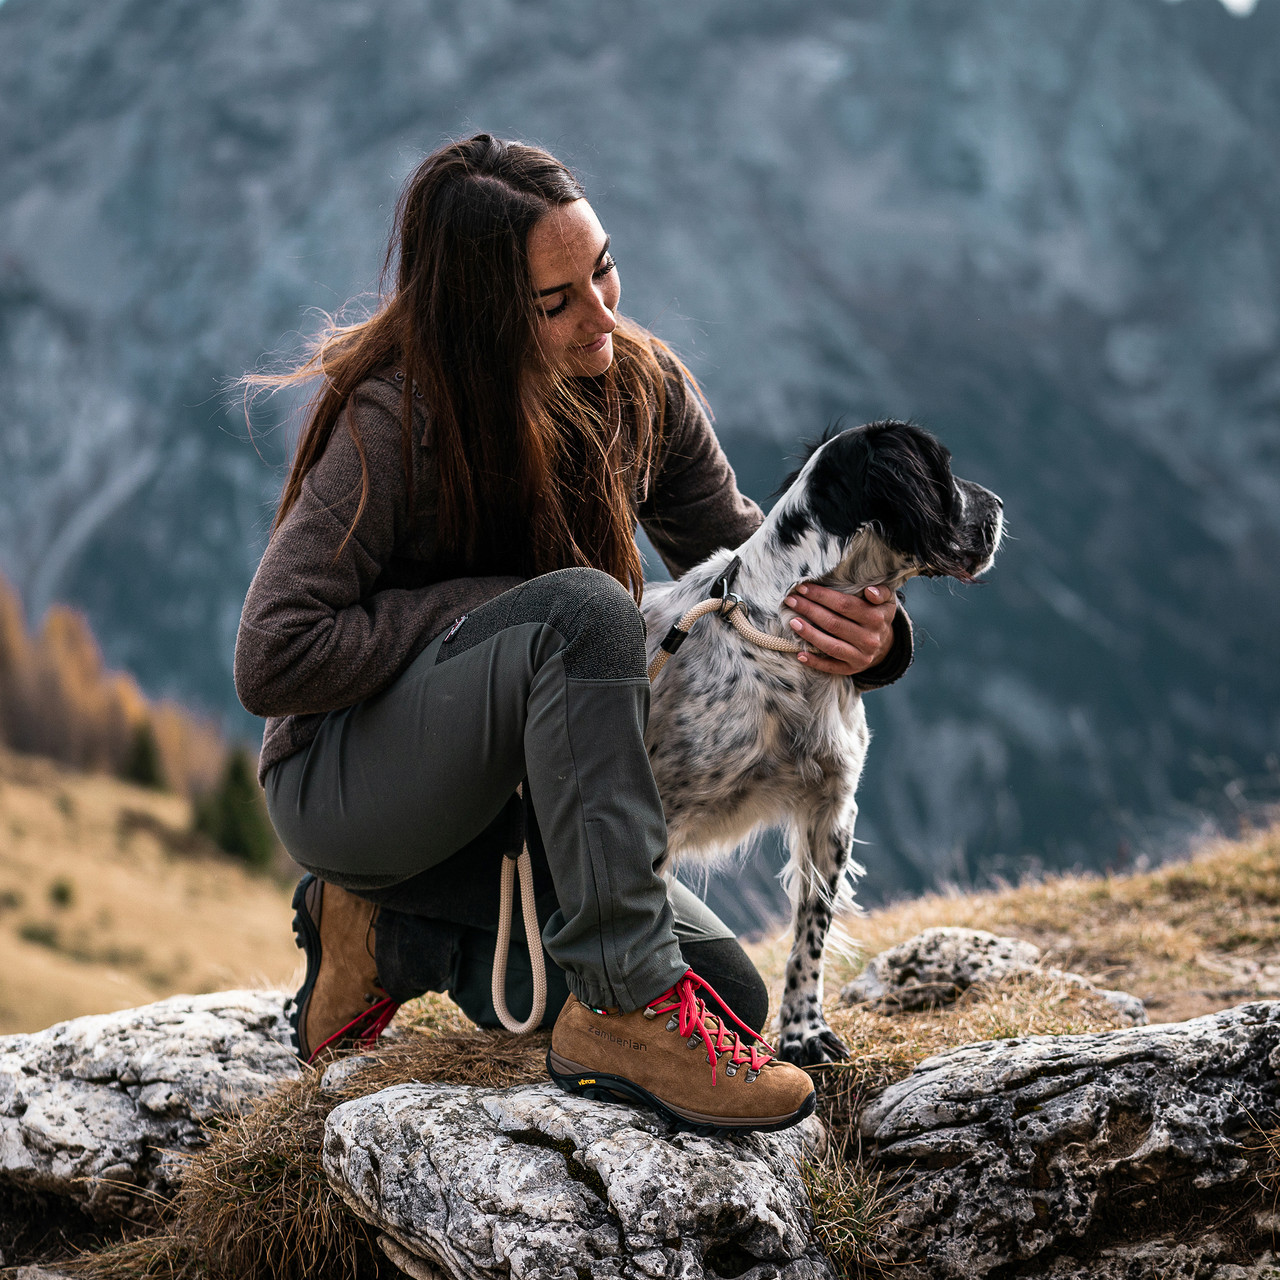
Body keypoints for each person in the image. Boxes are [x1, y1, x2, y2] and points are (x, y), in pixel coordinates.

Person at [233, 134, 911, 1131]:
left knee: (729, 998)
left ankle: (384, 932)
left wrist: (873, 641)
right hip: (353, 787)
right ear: (481, 318)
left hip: (516, 805)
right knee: (587, 610)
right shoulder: (393, 420)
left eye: (603, 269)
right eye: (556, 303)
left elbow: (751, 564)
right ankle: (621, 1009)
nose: (602, 314)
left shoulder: (639, 388)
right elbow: (274, 653)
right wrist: (497, 607)